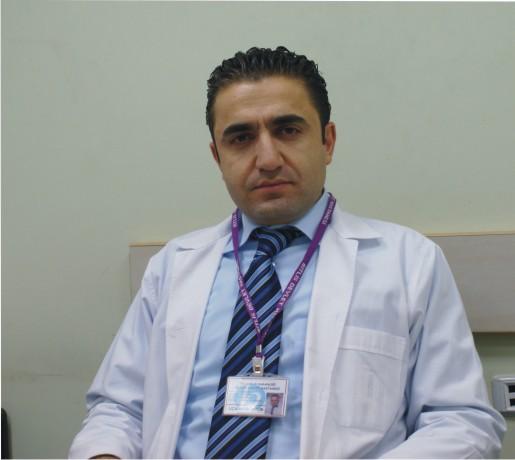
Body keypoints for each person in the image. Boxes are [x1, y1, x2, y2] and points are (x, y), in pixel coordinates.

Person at [69, 46, 506, 459]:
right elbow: (117, 408)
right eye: (241, 138)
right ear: (217, 156)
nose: (267, 159)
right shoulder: (173, 266)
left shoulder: (408, 262)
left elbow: (460, 420)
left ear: (327, 142)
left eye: (288, 130)